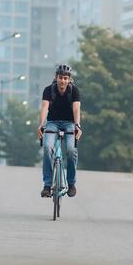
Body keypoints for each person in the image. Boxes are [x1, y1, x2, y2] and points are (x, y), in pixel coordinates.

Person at [37, 64, 82, 198]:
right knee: (47, 147)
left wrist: (77, 125)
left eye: (65, 78)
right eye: (60, 78)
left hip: (69, 124)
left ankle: (71, 183)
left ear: (69, 80)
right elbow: (45, 108)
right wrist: (41, 124)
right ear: (56, 78)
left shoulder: (74, 91)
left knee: (71, 150)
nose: (63, 81)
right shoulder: (48, 90)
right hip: (52, 123)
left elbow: (76, 109)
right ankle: (47, 185)